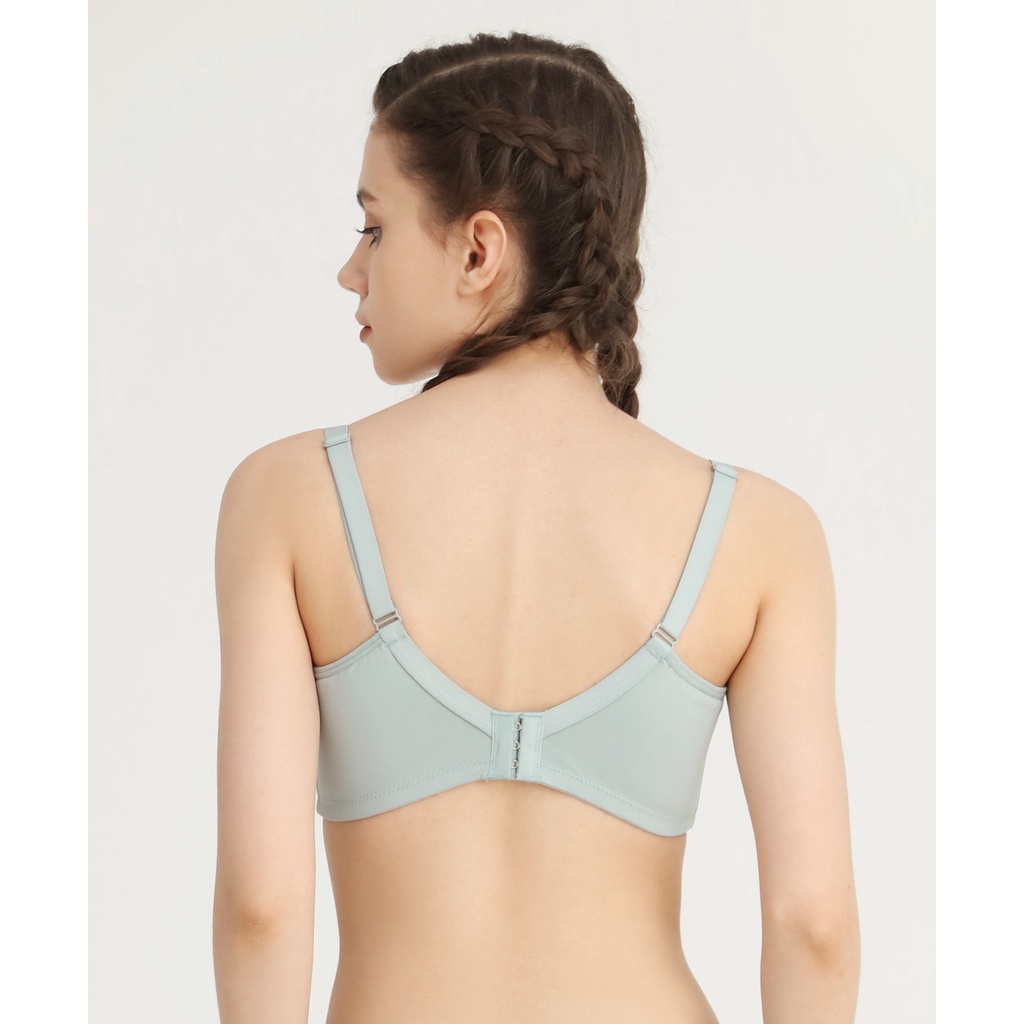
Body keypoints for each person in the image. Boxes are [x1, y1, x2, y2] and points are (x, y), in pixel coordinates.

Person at [212, 30, 859, 1024]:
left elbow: (261, 909)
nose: (351, 270)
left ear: (479, 250)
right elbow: (814, 924)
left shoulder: (287, 498)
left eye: (373, 228)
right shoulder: (760, 534)